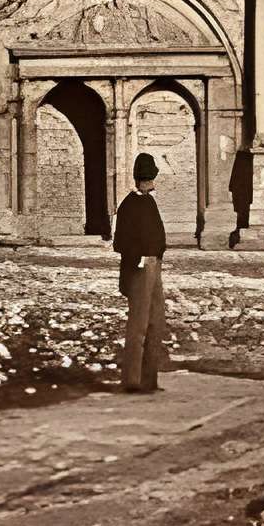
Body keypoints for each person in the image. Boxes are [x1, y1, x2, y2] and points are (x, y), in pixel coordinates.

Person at [112, 151, 168, 393]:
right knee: (139, 326)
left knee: (156, 322)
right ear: (142, 180)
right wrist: (140, 259)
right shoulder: (128, 205)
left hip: (154, 265)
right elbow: (120, 243)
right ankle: (132, 380)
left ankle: (149, 379)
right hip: (139, 269)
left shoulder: (148, 201)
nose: (151, 183)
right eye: (149, 179)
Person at [227, 141, 254, 250]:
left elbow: (233, 179)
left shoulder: (240, 158)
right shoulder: (245, 159)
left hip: (241, 191)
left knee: (241, 213)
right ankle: (239, 232)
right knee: (242, 213)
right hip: (243, 191)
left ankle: (239, 232)